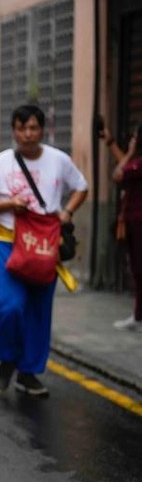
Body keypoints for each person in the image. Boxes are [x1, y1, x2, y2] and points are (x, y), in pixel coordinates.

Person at [0, 104, 88, 397]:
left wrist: (67, 213)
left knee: (39, 311)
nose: (28, 134)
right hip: (8, 244)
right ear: (13, 130)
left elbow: (81, 187)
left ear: (43, 130)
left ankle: (29, 373)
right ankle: (6, 361)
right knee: (11, 306)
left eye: (33, 127)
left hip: (44, 245)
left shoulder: (59, 160)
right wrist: (8, 204)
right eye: (22, 128)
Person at [111, 123, 142, 331]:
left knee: (139, 270)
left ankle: (139, 318)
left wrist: (130, 151)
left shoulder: (138, 163)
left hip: (138, 222)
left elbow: (118, 173)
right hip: (134, 221)